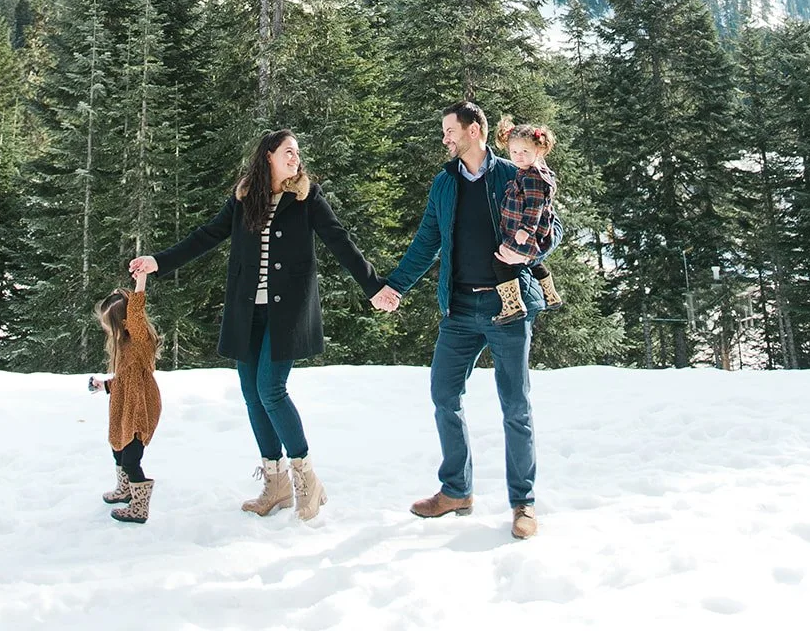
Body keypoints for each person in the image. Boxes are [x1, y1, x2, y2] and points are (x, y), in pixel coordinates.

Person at [129, 129, 386, 522]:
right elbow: (208, 235)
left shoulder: (307, 197)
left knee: (271, 389)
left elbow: (339, 240)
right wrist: (159, 262)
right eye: (287, 152)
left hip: (288, 311)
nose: (295, 158)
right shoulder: (246, 197)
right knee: (251, 394)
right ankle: (276, 482)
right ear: (268, 155)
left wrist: (373, 286)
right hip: (247, 311)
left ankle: (306, 477)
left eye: (297, 153)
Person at [370, 101, 563, 540]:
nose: (445, 138)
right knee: (443, 394)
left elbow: (553, 226)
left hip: (507, 306)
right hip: (458, 310)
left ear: (474, 130)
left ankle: (523, 503)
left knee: (515, 406)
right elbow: (426, 243)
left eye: (449, 130)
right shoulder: (444, 184)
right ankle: (456, 490)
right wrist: (395, 286)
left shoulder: (514, 171)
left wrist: (529, 252)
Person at [89, 267, 162, 524]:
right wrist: (104, 386)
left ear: (122, 323)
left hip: (140, 409)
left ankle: (139, 507)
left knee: (131, 459)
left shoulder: (140, 343)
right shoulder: (124, 347)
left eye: (108, 325)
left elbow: (137, 315)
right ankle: (125, 490)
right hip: (124, 407)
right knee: (117, 449)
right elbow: (124, 381)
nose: (106, 330)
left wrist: (141, 281)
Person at [490, 115, 564, 325]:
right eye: (514, 152)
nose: (519, 156)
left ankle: (512, 306)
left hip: (527, 234)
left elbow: (535, 205)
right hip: (532, 235)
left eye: (525, 152)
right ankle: (550, 295)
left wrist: (525, 228)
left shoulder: (532, 176)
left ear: (538, 151)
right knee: (532, 264)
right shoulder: (526, 172)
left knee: (501, 261)